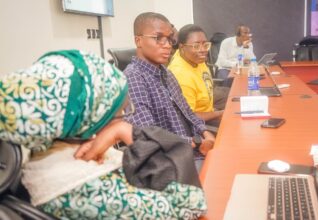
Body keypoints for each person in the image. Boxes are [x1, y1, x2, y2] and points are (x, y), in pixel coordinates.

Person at [0, 50, 206, 219]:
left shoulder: (53, 151)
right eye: (119, 109)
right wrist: (127, 132)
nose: (125, 115)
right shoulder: (82, 188)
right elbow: (191, 206)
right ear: (87, 115)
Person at [123, 12, 215, 170]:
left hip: (194, 149)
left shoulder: (166, 73)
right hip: (171, 162)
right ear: (138, 40)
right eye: (158, 38)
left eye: (170, 39)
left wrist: (205, 131)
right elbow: (147, 134)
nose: (167, 45)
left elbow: (187, 110)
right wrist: (196, 141)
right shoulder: (134, 78)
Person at [168, 24, 228, 126]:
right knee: (233, 123)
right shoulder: (181, 75)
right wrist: (219, 113)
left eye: (205, 44)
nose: (203, 50)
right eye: (196, 46)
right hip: (198, 123)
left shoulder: (192, 57)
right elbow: (188, 116)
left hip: (206, 103)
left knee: (235, 97)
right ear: (182, 47)